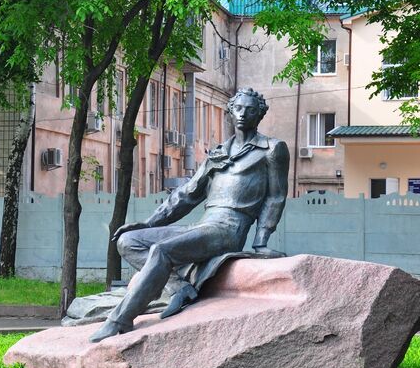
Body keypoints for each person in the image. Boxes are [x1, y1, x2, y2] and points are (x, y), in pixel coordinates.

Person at [90, 87, 289, 343]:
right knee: (128, 241)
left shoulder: (272, 149)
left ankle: (119, 320)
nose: (242, 114)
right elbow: (186, 195)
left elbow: (275, 197)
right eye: (238, 108)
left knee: (161, 251)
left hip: (230, 229)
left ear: (259, 115)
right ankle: (179, 287)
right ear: (230, 112)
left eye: (250, 110)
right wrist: (148, 224)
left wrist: (261, 242)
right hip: (204, 225)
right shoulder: (218, 154)